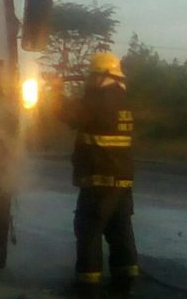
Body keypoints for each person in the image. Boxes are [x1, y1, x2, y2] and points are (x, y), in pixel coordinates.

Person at [58, 52, 139, 298]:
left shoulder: (97, 100)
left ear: (102, 75)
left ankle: (88, 286)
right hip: (122, 182)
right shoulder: (125, 102)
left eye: (93, 76)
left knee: (89, 232)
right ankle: (125, 281)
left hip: (98, 181)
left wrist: (55, 92)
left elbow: (69, 115)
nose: (90, 80)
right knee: (120, 231)